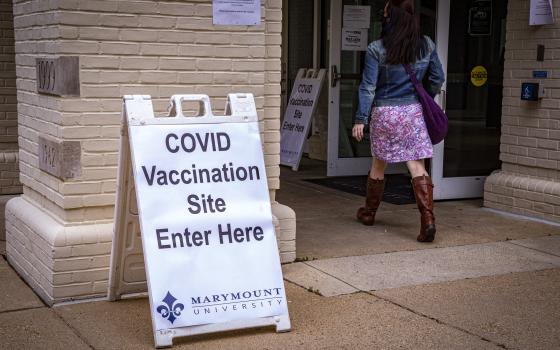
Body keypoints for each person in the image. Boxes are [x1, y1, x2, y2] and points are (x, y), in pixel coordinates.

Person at [352, 0, 445, 242]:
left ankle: (369, 213)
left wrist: (361, 118)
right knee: (416, 166)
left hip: (384, 113)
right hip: (412, 113)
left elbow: (368, 87)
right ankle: (428, 220)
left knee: (378, 164)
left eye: (384, 13)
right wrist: (424, 96)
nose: (382, 16)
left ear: (390, 17)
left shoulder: (376, 48)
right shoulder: (426, 45)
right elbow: (438, 77)